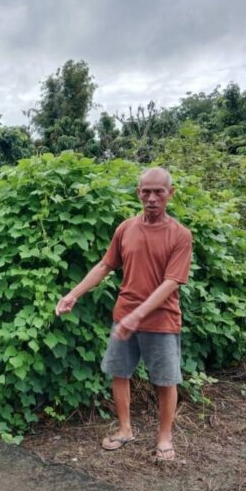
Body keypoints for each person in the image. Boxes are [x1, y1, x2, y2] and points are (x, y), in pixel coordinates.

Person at [54, 167, 192, 461]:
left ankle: (164, 437)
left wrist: (138, 315)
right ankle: (125, 429)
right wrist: (73, 294)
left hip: (162, 320)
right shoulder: (125, 228)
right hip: (125, 315)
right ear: (138, 193)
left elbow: (171, 282)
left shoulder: (180, 235)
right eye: (146, 192)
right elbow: (105, 266)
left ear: (170, 193)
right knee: (119, 372)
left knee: (165, 380)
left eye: (158, 192)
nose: (152, 198)